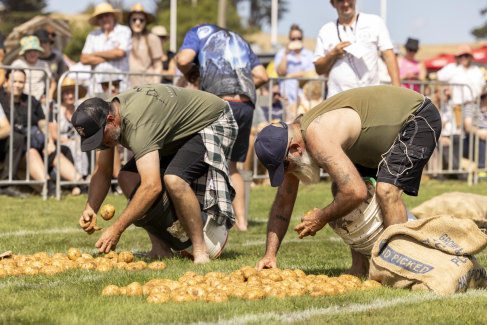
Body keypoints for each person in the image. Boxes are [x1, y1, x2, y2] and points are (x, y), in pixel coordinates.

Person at [253, 85, 441, 276]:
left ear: (295, 149)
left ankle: (399, 271)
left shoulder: (317, 135)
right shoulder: (294, 141)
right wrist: (270, 255)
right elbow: (283, 202)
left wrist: (322, 217)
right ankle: (360, 267)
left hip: (417, 117)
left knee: (387, 191)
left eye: (285, 167)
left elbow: (356, 191)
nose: (287, 173)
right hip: (379, 136)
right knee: (339, 189)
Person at [73, 84, 238, 264]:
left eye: (99, 138)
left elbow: (151, 187)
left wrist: (116, 228)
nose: (100, 144)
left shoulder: (139, 123)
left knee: (174, 179)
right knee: (127, 177)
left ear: (111, 120)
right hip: (176, 132)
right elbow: (103, 171)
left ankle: (201, 250)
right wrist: (91, 208)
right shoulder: (102, 114)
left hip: (212, 121)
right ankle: (160, 249)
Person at [177, 24, 269, 231]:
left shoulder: (198, 32)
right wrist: (239, 87)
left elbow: (183, 59)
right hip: (245, 104)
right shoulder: (239, 38)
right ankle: (242, 223)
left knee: (203, 161)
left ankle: (205, 219)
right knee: (233, 165)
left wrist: (190, 72)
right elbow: (263, 76)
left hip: (219, 103)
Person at [0, 69, 81, 197]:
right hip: (13, 150)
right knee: (31, 152)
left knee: (56, 153)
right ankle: (49, 186)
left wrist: (49, 142)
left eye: (21, 82)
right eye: (14, 81)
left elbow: (43, 123)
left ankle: (81, 184)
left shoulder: (30, 100)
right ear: (5, 82)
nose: (18, 85)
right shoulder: (1, 100)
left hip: (36, 143)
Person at [313, 0, 400, 98]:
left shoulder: (375, 22)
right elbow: (319, 69)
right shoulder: (326, 30)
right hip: (338, 98)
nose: (346, 4)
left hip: (370, 97)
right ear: (333, 3)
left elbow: (388, 54)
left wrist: (397, 91)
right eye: (341, 1)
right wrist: (333, 53)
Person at [80, 2, 131, 93]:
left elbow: (120, 53)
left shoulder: (124, 31)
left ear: (113, 16)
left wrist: (95, 54)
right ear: (98, 20)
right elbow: (84, 59)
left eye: (106, 15)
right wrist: (111, 54)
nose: (104, 19)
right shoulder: (92, 35)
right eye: (100, 16)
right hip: (97, 87)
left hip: (120, 87)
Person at [49, 78, 89, 181]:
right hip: (61, 145)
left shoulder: (80, 111)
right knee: (75, 145)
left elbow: (84, 130)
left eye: (72, 92)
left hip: (79, 144)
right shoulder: (55, 110)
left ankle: (89, 177)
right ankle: (80, 180)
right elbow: (54, 135)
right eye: (67, 93)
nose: (70, 96)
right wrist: (71, 141)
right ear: (61, 95)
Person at [274, 24, 316, 107]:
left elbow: (310, 73)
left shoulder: (309, 54)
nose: (296, 40)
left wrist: (289, 75)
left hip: (305, 95)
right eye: (293, 39)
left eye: (299, 38)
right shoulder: (281, 53)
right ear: (289, 39)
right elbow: (280, 72)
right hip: (287, 95)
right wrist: (286, 53)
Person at [125, 3, 162, 87]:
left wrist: (155, 85)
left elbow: (158, 65)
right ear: (129, 21)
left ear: (145, 22)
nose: (137, 22)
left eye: (141, 20)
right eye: (134, 19)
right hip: (127, 85)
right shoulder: (125, 37)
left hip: (147, 85)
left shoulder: (152, 38)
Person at [11, 35, 56, 104]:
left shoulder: (44, 65)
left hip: (39, 102)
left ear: (38, 52)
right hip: (21, 102)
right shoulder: (17, 64)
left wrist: (49, 97)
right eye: (29, 51)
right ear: (24, 53)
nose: (32, 53)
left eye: (35, 50)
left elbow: (53, 83)